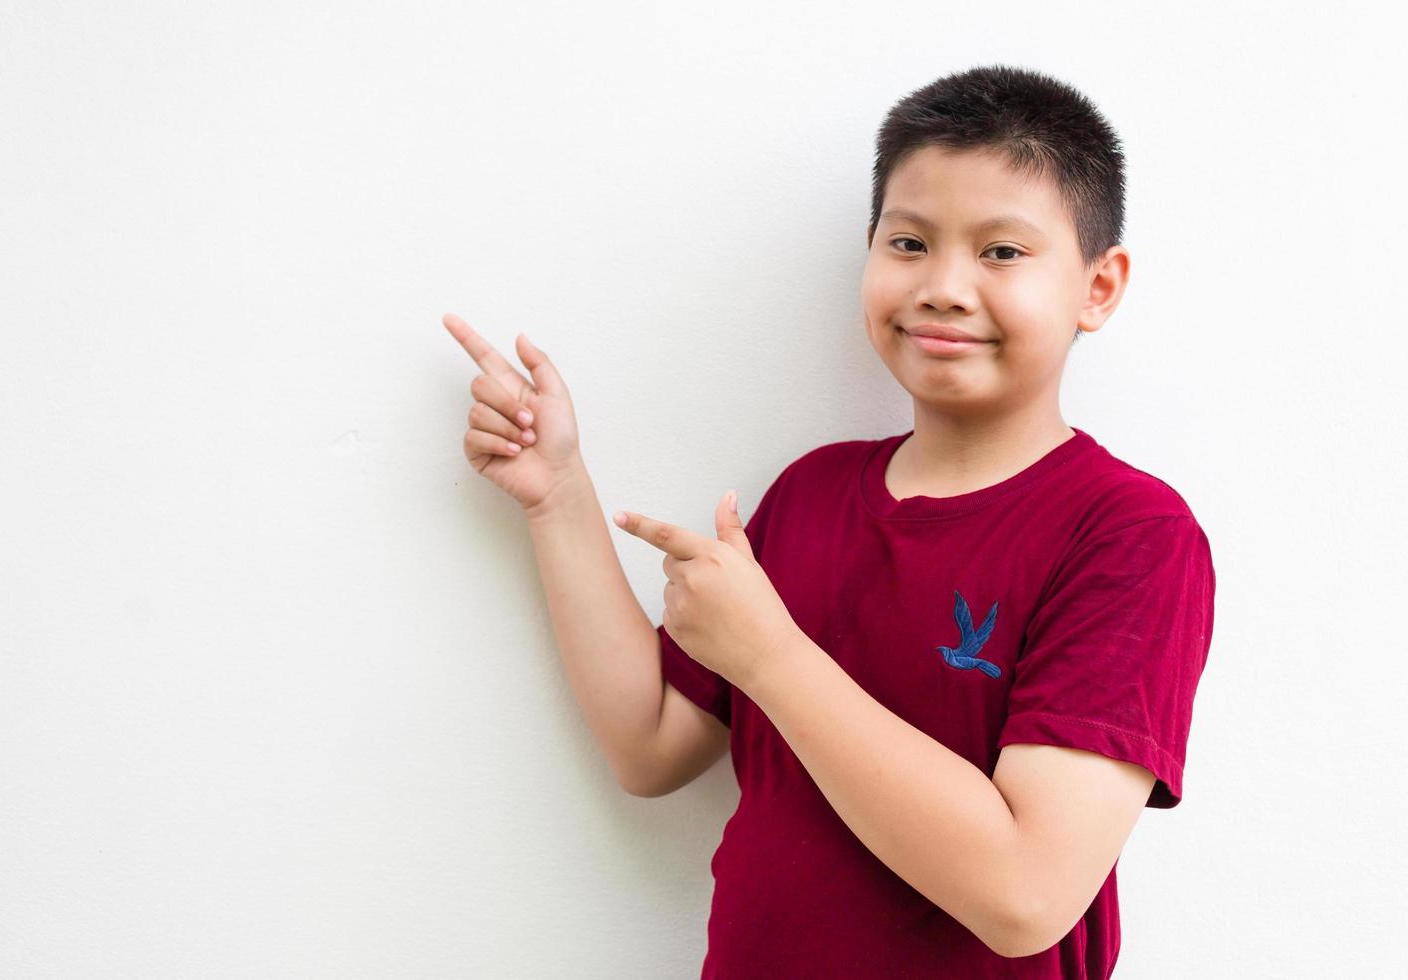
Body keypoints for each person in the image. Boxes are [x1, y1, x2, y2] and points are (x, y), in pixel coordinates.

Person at [443, 63, 1215, 979]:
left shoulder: (1130, 533)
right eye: (909, 243)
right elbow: (649, 746)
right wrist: (558, 494)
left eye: (1002, 252)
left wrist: (770, 657)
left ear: (1099, 286)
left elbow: (1026, 897)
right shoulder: (809, 494)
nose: (944, 287)